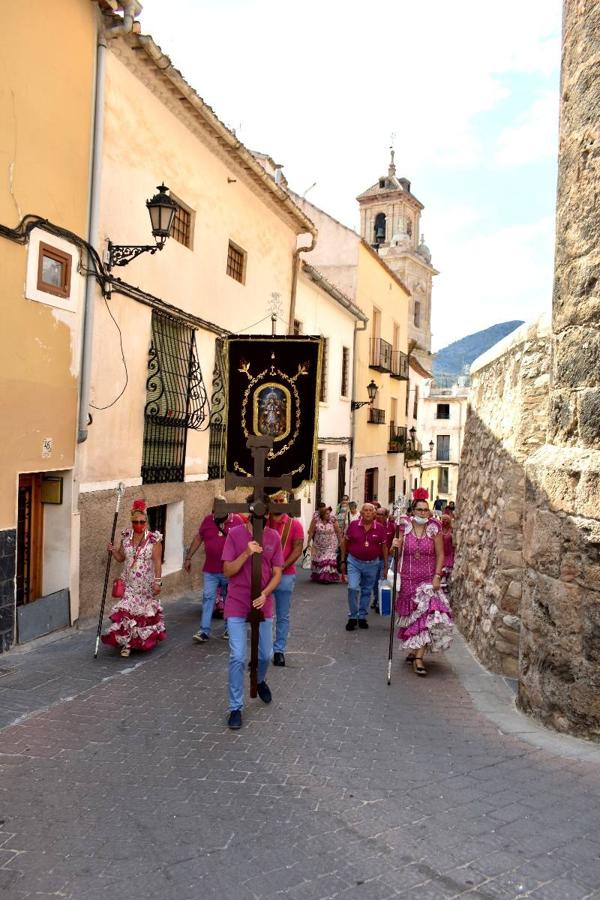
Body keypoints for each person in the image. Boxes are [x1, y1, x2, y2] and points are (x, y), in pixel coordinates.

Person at [221, 495, 284, 730]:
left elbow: (277, 571)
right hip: (237, 602)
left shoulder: (273, 537)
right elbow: (227, 570)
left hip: (262, 603)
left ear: (267, 514)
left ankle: (259, 680)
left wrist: (266, 593)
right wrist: (246, 553)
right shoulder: (235, 534)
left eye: (265, 513)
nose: (261, 516)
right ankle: (235, 707)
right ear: (249, 512)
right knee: (237, 656)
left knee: (266, 654)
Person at [392, 488, 453, 676]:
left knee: (427, 616)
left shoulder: (434, 528)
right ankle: (414, 648)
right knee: (412, 617)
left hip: (427, 580)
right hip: (408, 578)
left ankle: (419, 657)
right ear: (413, 511)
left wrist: (437, 576)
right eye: (419, 510)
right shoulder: (404, 527)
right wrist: (395, 545)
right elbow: (398, 550)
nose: (423, 513)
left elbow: (441, 554)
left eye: (426, 510)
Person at [102, 499, 165, 658]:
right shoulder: (126, 537)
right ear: (131, 522)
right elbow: (121, 558)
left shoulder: (154, 540)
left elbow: (157, 562)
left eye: (141, 522)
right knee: (127, 613)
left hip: (145, 585)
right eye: (135, 522)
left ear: (146, 522)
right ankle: (128, 644)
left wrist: (158, 582)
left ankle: (141, 640)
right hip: (129, 584)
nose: (138, 524)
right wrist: (113, 550)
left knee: (142, 614)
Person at [184, 498, 245, 643]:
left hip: (229, 571)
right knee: (208, 597)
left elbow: (244, 541)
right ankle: (204, 631)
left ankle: (229, 629)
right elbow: (199, 538)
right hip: (210, 570)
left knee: (229, 599)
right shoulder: (207, 520)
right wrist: (188, 557)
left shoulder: (237, 521)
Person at [267, 491, 304, 667]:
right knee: (262, 614)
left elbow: (298, 549)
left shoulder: (294, 525)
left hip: (285, 575)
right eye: (275, 500)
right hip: (264, 575)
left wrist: (281, 566)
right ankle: (262, 649)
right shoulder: (262, 522)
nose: (278, 503)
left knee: (282, 615)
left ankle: (279, 650)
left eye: (281, 500)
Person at [340, 503, 388, 630]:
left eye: (370, 511)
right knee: (353, 587)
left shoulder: (380, 528)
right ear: (361, 513)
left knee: (367, 591)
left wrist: (385, 566)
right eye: (365, 510)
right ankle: (352, 616)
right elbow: (344, 543)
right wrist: (342, 560)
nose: (367, 513)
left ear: (374, 514)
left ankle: (362, 616)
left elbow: (384, 547)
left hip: (372, 564)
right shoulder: (353, 525)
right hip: (354, 562)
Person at [307, 506, 342, 583]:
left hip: (331, 543)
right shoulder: (316, 520)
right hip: (319, 544)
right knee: (320, 560)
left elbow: (338, 531)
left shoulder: (333, 519)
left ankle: (326, 577)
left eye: (329, 513)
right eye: (326, 514)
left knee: (328, 559)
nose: (328, 515)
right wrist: (308, 542)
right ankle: (319, 575)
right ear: (322, 514)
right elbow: (311, 531)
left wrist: (340, 542)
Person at [371, 507, 396, 611]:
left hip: (387, 557)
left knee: (382, 579)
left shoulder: (392, 527)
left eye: (381, 515)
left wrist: (393, 547)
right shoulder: (372, 526)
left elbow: (396, 539)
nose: (378, 516)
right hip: (374, 557)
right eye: (377, 514)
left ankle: (379, 603)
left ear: (386, 516)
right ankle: (376, 598)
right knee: (374, 581)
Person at [440, 514, 455, 589]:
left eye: (446, 519)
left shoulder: (451, 530)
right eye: (443, 519)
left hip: (449, 552)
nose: (445, 521)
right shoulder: (439, 529)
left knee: (447, 569)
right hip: (441, 552)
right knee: (441, 568)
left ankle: (445, 584)